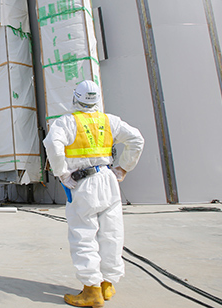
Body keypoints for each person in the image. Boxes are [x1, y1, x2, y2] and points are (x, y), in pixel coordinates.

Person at [43, 80, 144, 307]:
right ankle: (108, 284)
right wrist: (124, 167)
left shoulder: (67, 122)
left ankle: (91, 290)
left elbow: (52, 144)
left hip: (83, 182)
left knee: (83, 234)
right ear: (97, 100)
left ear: (75, 98)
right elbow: (136, 139)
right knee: (112, 233)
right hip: (108, 179)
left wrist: (62, 173)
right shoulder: (110, 121)